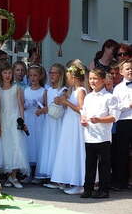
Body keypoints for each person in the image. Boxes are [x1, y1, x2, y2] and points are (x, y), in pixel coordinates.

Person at [80, 68, 119, 198]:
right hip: (89, 136)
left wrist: (99, 120)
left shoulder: (109, 97)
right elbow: (84, 113)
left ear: (103, 80)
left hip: (103, 137)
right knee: (89, 164)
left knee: (103, 165)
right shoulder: (88, 97)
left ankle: (103, 190)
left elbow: (114, 117)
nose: (92, 81)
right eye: (90, 78)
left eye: (95, 78)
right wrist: (83, 120)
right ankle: (88, 189)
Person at [50, 64, 87, 194]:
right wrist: (62, 101)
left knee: (76, 151)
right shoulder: (73, 90)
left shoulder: (81, 90)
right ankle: (72, 180)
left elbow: (81, 109)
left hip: (76, 125)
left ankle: (80, 183)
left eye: (68, 77)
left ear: (74, 78)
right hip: (69, 123)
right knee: (70, 151)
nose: (67, 80)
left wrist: (66, 102)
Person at [0, 63, 30, 188]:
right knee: (7, 147)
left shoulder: (17, 88)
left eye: (9, 73)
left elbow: (21, 105)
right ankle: (9, 175)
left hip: (15, 119)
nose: (7, 75)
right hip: (4, 120)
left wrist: (22, 121)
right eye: (5, 73)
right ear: (1, 74)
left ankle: (14, 176)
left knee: (17, 145)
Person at [35, 63, 67, 186]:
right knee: (49, 146)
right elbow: (45, 105)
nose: (52, 75)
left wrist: (45, 109)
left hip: (58, 123)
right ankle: (51, 176)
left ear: (60, 75)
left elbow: (61, 107)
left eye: (55, 73)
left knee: (56, 146)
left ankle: (59, 178)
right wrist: (41, 109)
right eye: (51, 72)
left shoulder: (63, 90)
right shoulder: (48, 90)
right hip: (49, 122)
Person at [23, 65, 47, 183]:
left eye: (35, 75)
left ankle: (38, 174)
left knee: (38, 144)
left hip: (39, 120)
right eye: (31, 75)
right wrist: (25, 105)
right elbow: (21, 105)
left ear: (40, 76)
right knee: (29, 144)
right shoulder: (25, 91)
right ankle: (29, 173)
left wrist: (41, 108)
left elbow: (47, 107)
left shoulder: (43, 91)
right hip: (28, 118)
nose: (33, 78)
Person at [112, 59, 132, 189]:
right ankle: (121, 182)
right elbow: (115, 107)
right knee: (122, 152)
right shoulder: (118, 88)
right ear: (121, 72)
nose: (130, 70)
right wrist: (127, 105)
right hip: (124, 122)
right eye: (127, 69)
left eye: (131, 68)